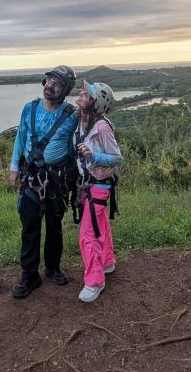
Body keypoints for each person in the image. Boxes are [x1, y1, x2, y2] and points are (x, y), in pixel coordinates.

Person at [9, 65, 79, 298]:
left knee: (54, 225)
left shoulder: (71, 115)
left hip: (58, 179)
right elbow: (20, 137)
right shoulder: (29, 109)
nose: (50, 85)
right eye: (48, 80)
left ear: (65, 89)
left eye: (56, 83)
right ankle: (29, 276)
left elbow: (79, 142)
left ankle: (52, 267)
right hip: (32, 175)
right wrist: (13, 168)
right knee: (30, 227)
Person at [73, 80, 121, 302]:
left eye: (85, 94)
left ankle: (94, 281)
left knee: (88, 234)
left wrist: (93, 157)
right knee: (100, 225)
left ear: (95, 103)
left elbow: (116, 157)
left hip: (98, 185)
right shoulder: (86, 122)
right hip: (87, 184)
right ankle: (107, 262)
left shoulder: (101, 127)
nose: (81, 95)